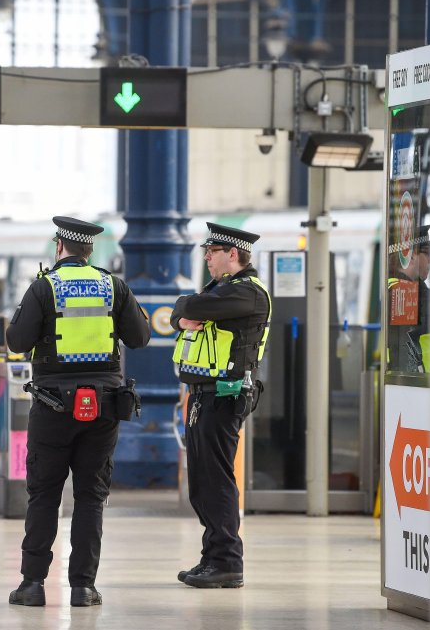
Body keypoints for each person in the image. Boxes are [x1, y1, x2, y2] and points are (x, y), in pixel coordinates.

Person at [5, 216, 150, 607]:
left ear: (59, 247)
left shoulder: (44, 287)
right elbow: (139, 337)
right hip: (102, 407)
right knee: (90, 497)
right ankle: (83, 588)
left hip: (53, 406)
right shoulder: (112, 286)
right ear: (90, 251)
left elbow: (17, 342)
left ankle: (32, 585)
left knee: (44, 496)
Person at [170, 222, 271, 589]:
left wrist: (186, 310)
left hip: (225, 396)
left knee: (216, 479)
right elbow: (176, 314)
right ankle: (213, 556)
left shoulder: (247, 294)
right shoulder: (220, 292)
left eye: (211, 252)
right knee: (202, 481)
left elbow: (188, 306)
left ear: (233, 254)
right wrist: (184, 311)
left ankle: (228, 561)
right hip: (204, 395)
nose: (206, 258)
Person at [387, 224, 430, 373]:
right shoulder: (405, 294)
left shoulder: (401, 291)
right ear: (411, 255)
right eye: (426, 254)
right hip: (414, 386)